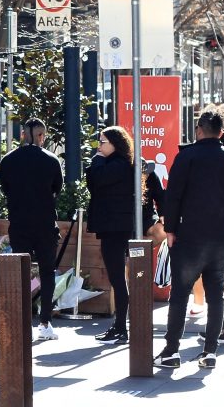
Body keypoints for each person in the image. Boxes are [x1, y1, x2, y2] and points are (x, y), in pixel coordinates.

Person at [154, 108, 224, 369]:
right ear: (222, 132)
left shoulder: (186, 158)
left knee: (180, 293)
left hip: (189, 235)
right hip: (221, 237)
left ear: (198, 130)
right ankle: (210, 352)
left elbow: (172, 196)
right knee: (216, 294)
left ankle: (172, 351)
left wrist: (170, 229)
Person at [0, 118, 63, 341]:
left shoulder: (8, 160)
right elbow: (57, 188)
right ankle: (45, 322)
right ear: (41, 136)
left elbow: (5, 188)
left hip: (19, 223)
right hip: (45, 223)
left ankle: (19, 320)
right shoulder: (51, 160)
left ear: (23, 134)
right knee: (47, 272)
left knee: (19, 272)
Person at [85, 126, 134, 345]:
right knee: (116, 278)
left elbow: (98, 179)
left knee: (117, 278)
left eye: (102, 142)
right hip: (112, 226)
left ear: (115, 143)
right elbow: (93, 183)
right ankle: (119, 326)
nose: (99, 146)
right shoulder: (114, 163)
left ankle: (122, 327)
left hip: (116, 227)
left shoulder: (118, 165)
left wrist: (96, 159)